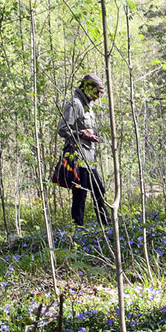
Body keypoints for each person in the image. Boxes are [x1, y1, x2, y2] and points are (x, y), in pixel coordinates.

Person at [56, 74, 110, 228]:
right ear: (88, 88)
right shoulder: (75, 104)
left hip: (89, 158)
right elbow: (62, 130)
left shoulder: (87, 105)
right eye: (98, 91)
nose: (99, 96)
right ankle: (77, 228)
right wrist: (81, 134)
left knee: (99, 190)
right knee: (81, 194)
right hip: (78, 157)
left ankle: (105, 224)